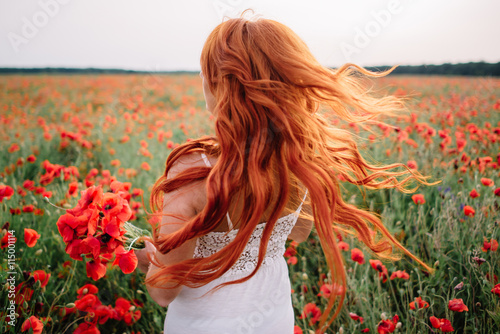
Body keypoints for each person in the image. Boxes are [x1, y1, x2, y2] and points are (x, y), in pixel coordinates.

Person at [135, 13, 439, 334]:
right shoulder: (300, 155)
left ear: (221, 84)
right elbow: (298, 233)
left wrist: (148, 259)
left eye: (205, 74)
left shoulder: (195, 170)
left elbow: (163, 292)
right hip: (272, 319)